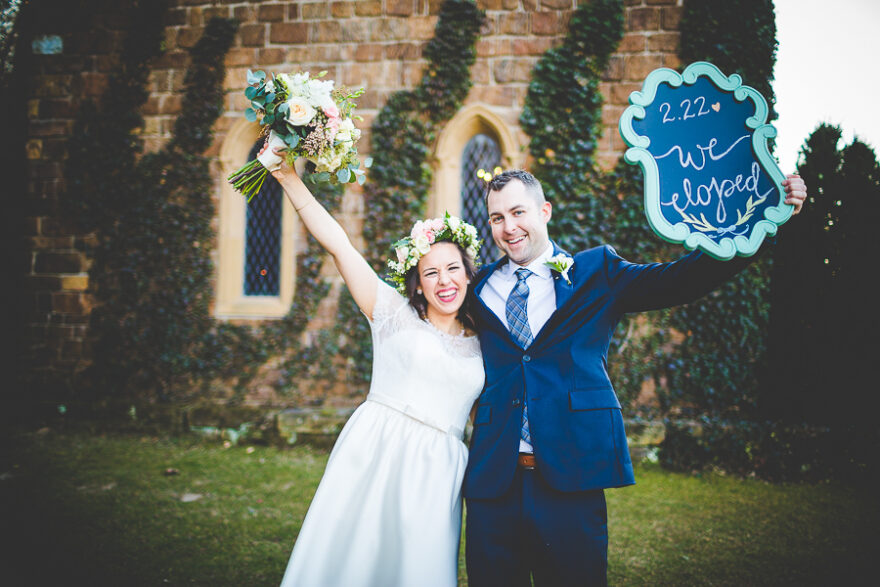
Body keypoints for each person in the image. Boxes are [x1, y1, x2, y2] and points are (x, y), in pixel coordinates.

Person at [463, 169, 808, 586]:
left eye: (518, 212)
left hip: (572, 476)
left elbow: (680, 280)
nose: (508, 227)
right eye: (497, 217)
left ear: (545, 211)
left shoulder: (597, 272)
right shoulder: (476, 287)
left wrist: (764, 225)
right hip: (494, 484)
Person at [263, 148, 486, 587]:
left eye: (453, 269)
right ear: (417, 284)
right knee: (354, 559)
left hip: (441, 468)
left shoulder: (484, 341)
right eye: (431, 273)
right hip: (379, 447)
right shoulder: (391, 312)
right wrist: (287, 176)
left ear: (467, 273)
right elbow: (338, 244)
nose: (444, 281)